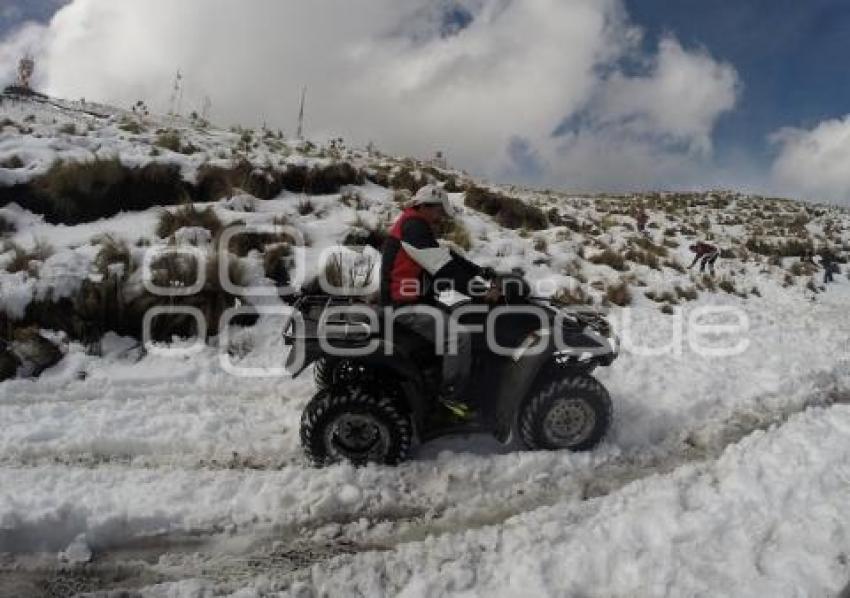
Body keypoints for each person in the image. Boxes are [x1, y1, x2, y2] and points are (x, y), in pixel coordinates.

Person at [380, 185, 499, 418]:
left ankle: (442, 375)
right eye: (438, 212)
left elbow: (448, 256)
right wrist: (481, 293)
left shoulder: (414, 225)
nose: (441, 218)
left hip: (413, 299)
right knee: (459, 337)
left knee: (460, 314)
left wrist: (481, 272)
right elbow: (444, 269)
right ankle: (451, 396)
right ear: (424, 206)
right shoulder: (413, 226)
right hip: (404, 305)